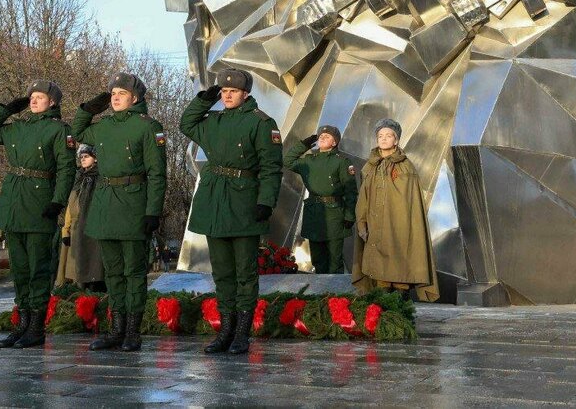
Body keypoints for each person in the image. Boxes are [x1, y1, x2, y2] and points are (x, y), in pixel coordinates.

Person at [180, 68, 283, 355]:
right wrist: (204, 99)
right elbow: (185, 123)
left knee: (245, 274)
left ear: (246, 94)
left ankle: (241, 333)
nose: (226, 95)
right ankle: (225, 330)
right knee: (222, 273)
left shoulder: (261, 123)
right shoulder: (213, 120)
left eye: (232, 91)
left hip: (244, 202)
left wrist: (266, 201)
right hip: (215, 201)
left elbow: (272, 167)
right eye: (223, 91)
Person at [72, 72, 167, 352]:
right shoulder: (103, 126)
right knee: (111, 272)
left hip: (134, 203)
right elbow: (77, 130)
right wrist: (90, 107)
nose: (114, 97)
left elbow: (157, 173)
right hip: (105, 203)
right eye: (112, 93)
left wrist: (153, 211)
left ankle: (132, 332)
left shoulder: (148, 127)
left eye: (121, 93)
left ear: (135, 98)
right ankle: (115, 330)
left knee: (134, 272)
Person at [0, 79, 76, 349]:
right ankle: (21, 325)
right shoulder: (17, 127)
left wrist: (57, 201)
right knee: (20, 270)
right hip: (13, 202)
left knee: (38, 270)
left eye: (40, 97)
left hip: (39, 201)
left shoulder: (59, 130)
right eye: (31, 96)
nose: (33, 100)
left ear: (52, 102)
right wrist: (6, 109)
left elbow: (67, 169)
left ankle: (35, 328)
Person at [352, 118, 438, 302]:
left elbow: (410, 204)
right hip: (376, 227)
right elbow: (363, 198)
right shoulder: (369, 167)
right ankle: (382, 317)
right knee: (379, 275)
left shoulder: (406, 167)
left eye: (388, 135)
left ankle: (400, 312)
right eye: (380, 135)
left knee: (400, 272)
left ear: (396, 140)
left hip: (399, 229)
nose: (383, 139)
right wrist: (362, 222)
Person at [283, 125, 357, 274]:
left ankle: (336, 296)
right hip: (314, 214)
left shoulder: (342, 161)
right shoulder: (310, 160)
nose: (322, 137)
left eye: (327, 136)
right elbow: (288, 161)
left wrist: (349, 215)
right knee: (318, 259)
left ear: (335, 142)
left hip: (335, 214)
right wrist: (304, 144)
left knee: (334, 260)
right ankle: (322, 295)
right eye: (321, 136)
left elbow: (351, 191)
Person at [55, 145, 106, 292]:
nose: (83, 159)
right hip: (76, 230)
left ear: (95, 158)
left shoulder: (100, 178)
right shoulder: (79, 178)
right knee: (75, 272)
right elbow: (71, 205)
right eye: (81, 157)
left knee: (94, 269)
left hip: (93, 229)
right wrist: (66, 230)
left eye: (86, 156)